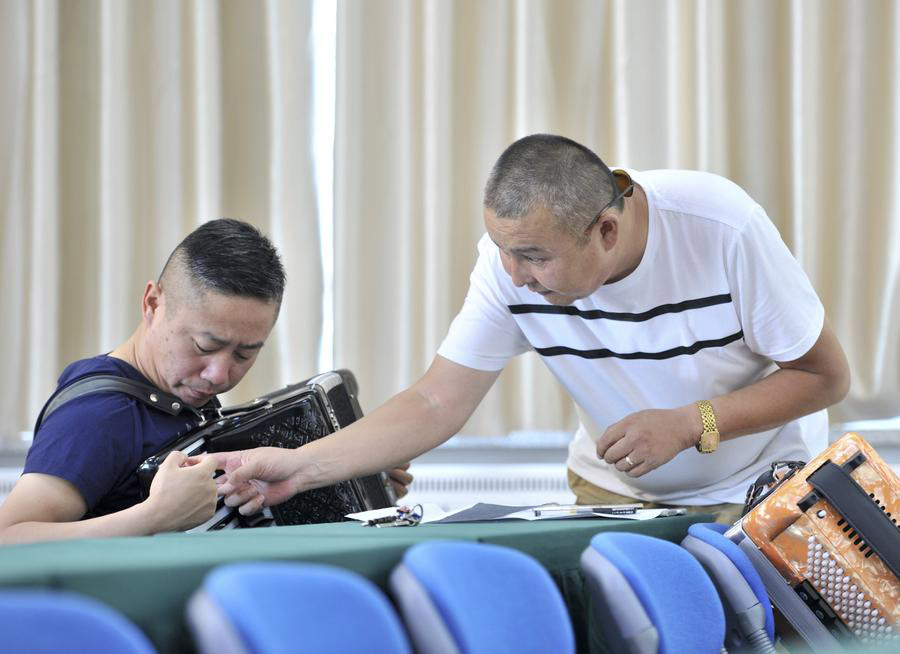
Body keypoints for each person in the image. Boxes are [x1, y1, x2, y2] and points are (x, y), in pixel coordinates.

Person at [211, 134, 850, 525]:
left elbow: (825, 377)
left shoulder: (722, 227)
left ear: (606, 230)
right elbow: (435, 401)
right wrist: (298, 469)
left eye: (534, 257)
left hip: (762, 486)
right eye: (502, 249)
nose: (514, 275)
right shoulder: (508, 265)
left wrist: (690, 424)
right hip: (614, 492)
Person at [0, 218, 411, 545]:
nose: (220, 375)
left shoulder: (182, 398)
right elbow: (9, 538)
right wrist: (153, 516)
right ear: (153, 303)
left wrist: (350, 478)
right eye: (204, 345)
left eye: (245, 354)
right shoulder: (97, 414)